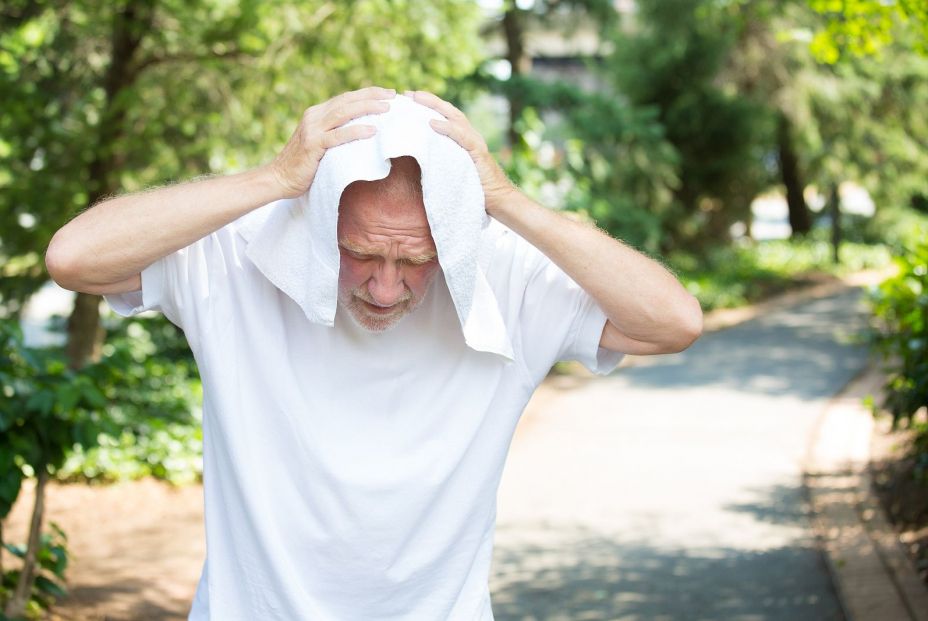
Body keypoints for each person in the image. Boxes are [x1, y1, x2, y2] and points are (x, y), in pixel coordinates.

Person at [45, 86, 703, 620]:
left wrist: (503, 199)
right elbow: (73, 258)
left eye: (415, 259)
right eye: (360, 252)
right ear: (319, 218)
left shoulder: (505, 280)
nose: (385, 287)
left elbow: (672, 321)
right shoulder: (240, 254)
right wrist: (274, 178)